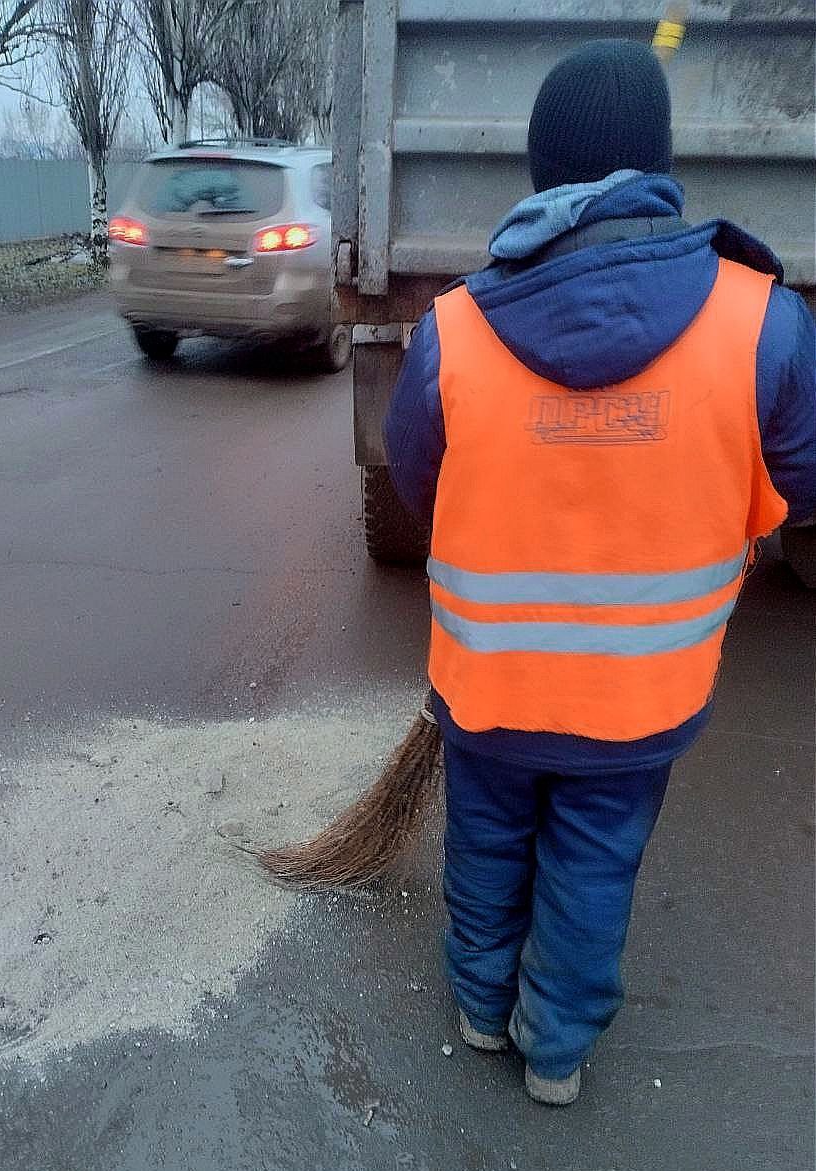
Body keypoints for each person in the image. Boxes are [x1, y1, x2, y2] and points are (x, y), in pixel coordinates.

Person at [383, 39, 816, 1106]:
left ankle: (481, 1010)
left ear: (540, 173)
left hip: (488, 691)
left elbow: (413, 477)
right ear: (658, 163)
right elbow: (802, 482)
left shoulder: (453, 330)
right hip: (640, 702)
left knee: (485, 846)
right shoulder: (761, 320)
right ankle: (557, 1047)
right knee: (592, 866)